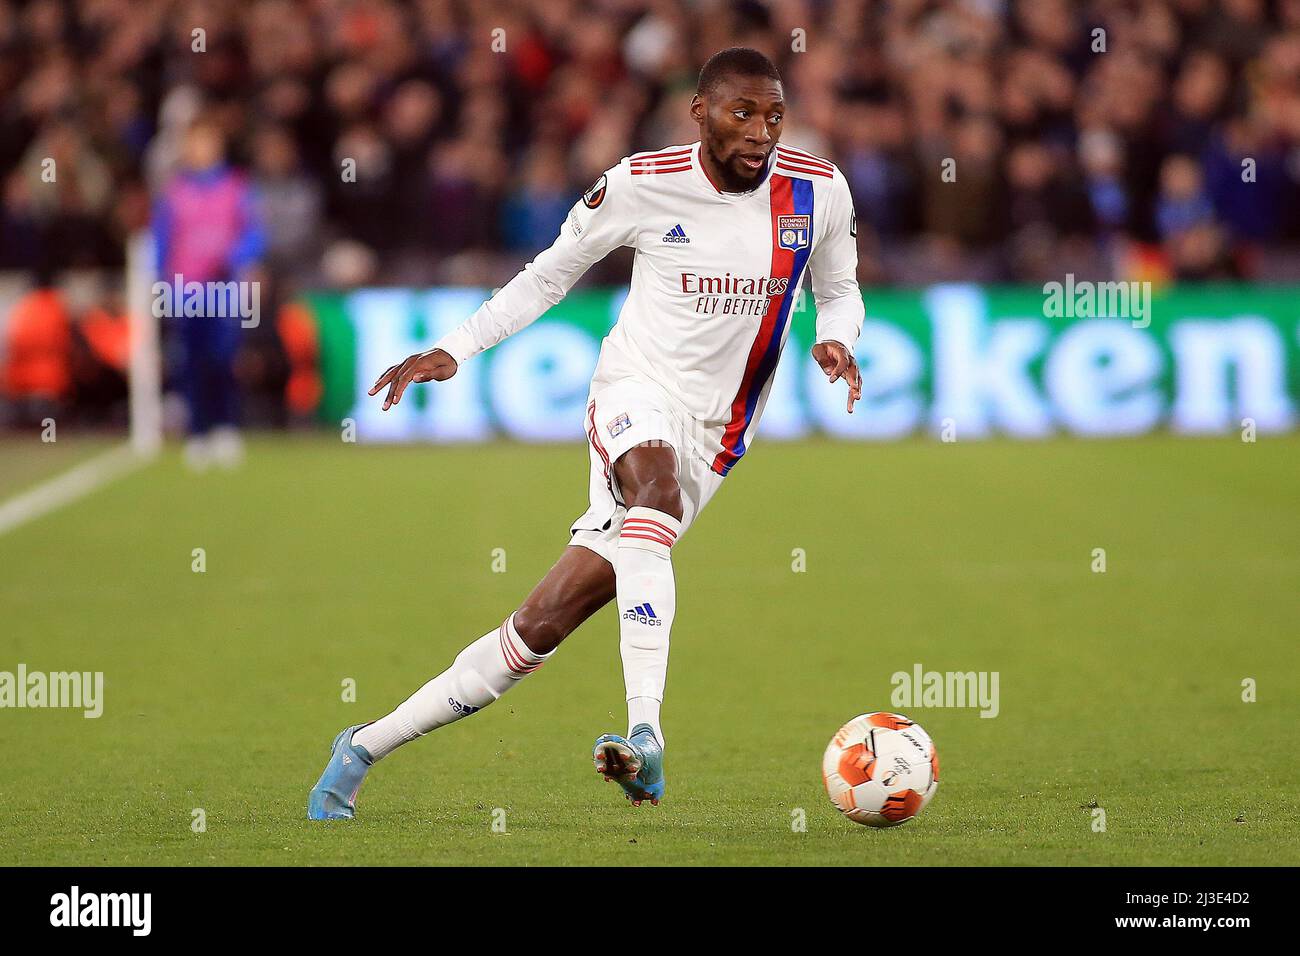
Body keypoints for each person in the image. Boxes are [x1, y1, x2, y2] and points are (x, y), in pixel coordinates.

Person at [308, 48, 864, 818]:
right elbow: (548, 274)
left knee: (534, 633)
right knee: (655, 494)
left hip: (717, 436)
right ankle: (648, 735)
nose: (760, 131)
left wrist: (838, 337)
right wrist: (456, 349)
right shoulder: (641, 182)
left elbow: (840, 290)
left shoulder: (820, 191)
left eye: (774, 114)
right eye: (742, 112)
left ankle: (361, 747)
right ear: (700, 112)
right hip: (633, 390)